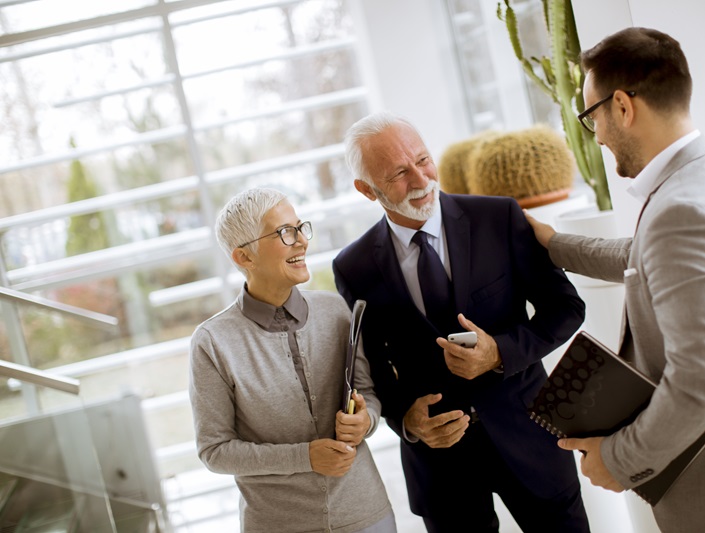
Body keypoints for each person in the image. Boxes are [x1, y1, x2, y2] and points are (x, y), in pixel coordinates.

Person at [526, 27, 705, 533]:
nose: (599, 136)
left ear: (624, 107)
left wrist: (619, 457)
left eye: (592, 117)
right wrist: (554, 244)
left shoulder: (681, 210)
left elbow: (699, 383)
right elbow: (649, 258)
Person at [332, 111, 591, 532]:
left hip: (531, 443)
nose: (419, 180)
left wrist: (499, 354)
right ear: (367, 189)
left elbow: (566, 309)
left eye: (422, 160)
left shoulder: (500, 218)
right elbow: (374, 373)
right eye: (399, 172)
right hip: (440, 470)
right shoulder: (352, 266)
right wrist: (408, 422)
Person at [189, 187, 396, 533]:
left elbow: (367, 393)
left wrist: (366, 420)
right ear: (244, 257)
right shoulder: (212, 342)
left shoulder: (335, 311)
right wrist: (305, 457)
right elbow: (215, 450)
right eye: (285, 232)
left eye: (301, 228)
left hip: (366, 514)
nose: (301, 241)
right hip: (278, 524)